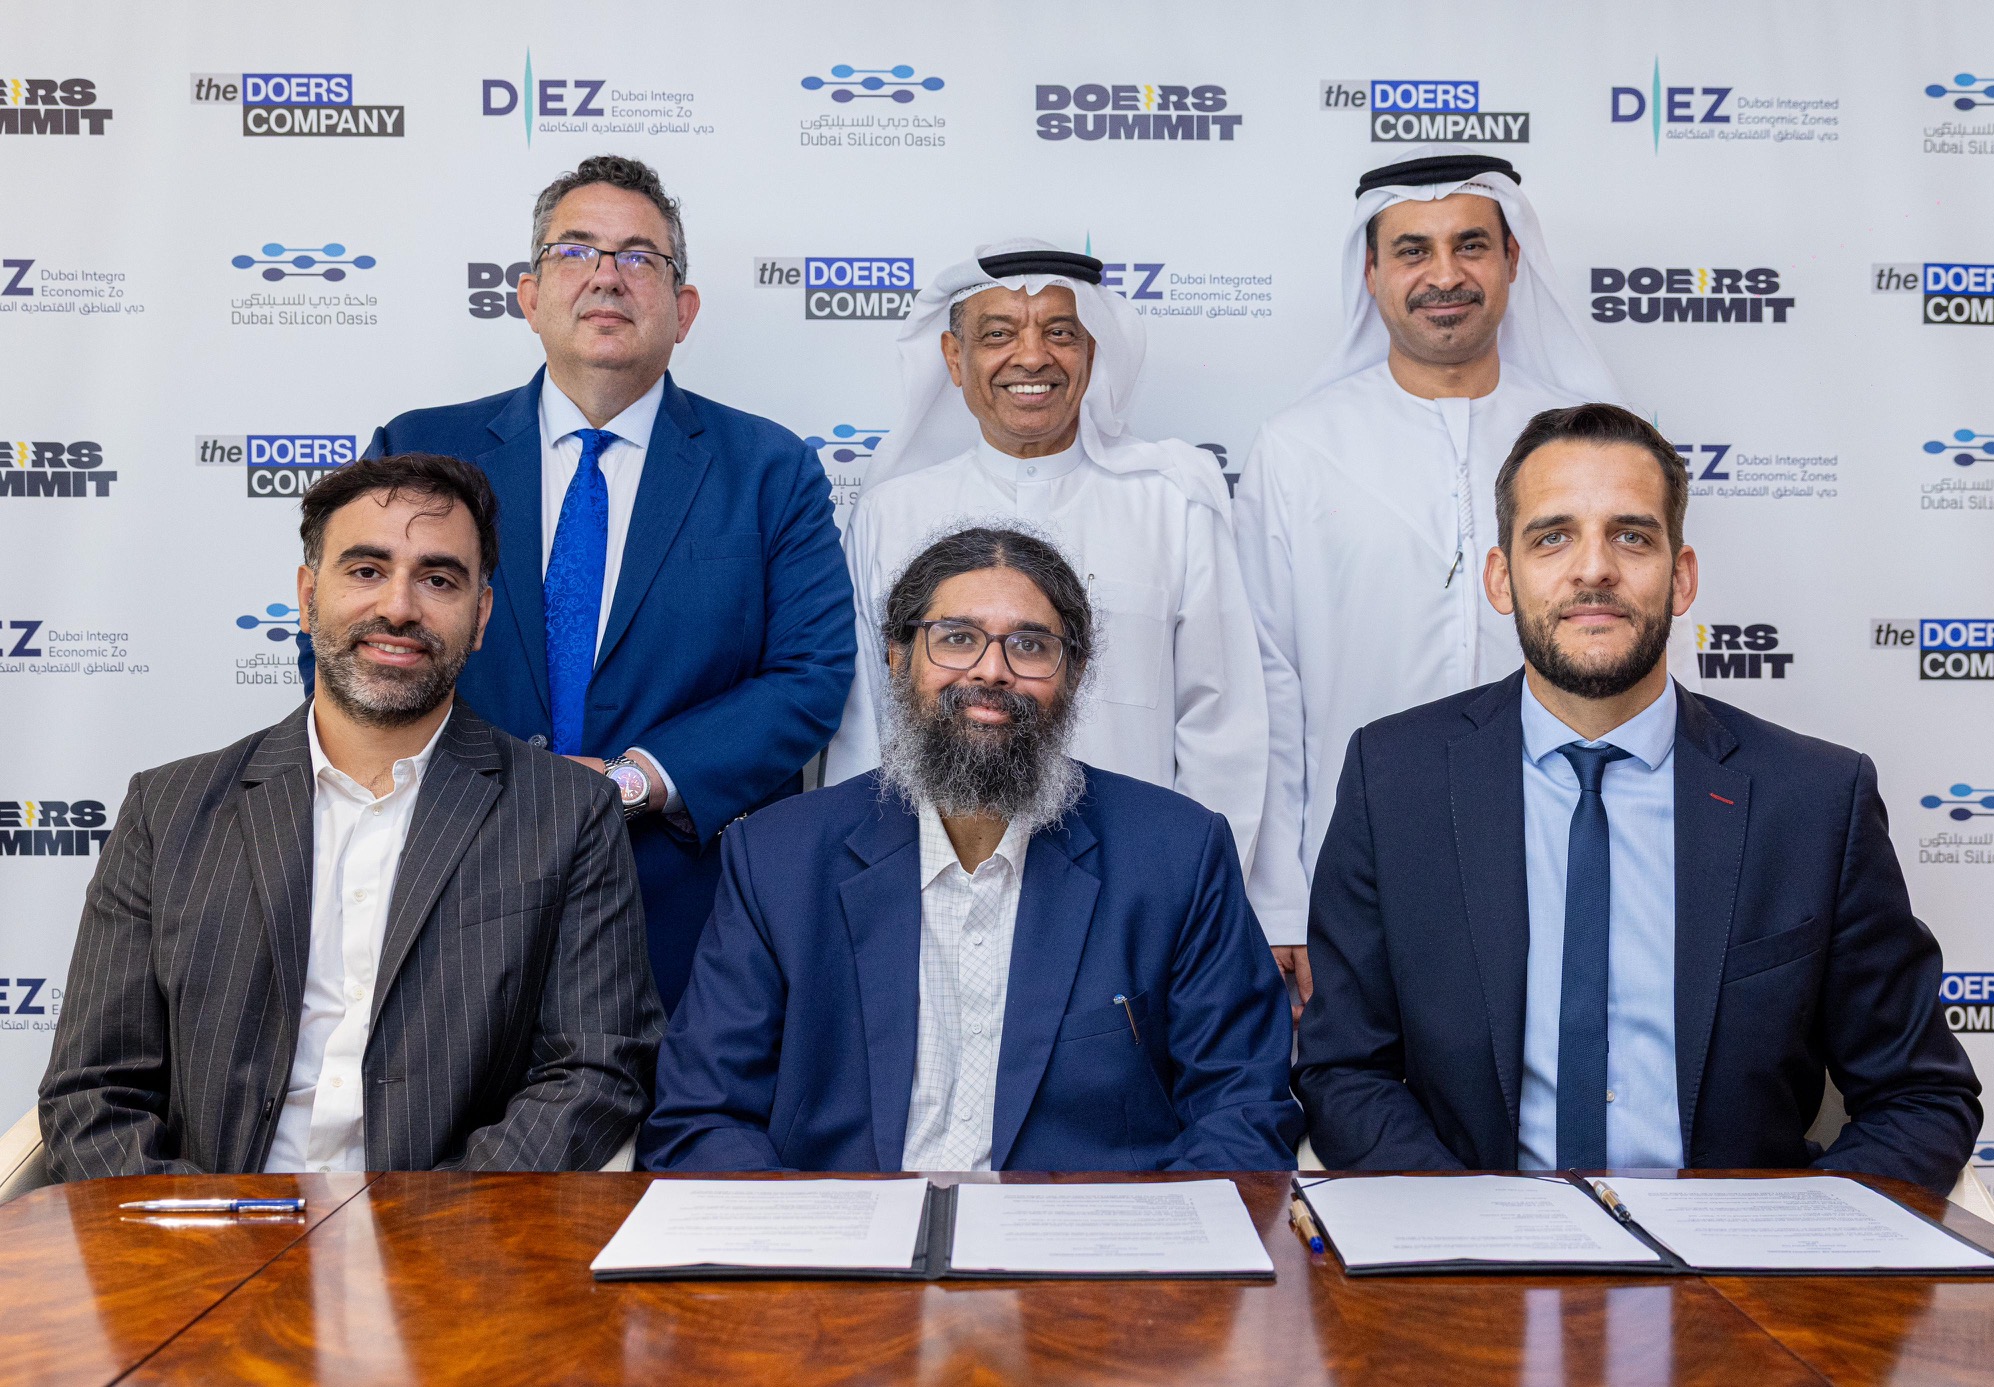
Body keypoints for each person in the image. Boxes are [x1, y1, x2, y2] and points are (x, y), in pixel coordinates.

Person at [1295, 405, 1981, 1194]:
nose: (1594, 569)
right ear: (1500, 578)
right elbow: (1344, 1071)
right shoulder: (1394, 781)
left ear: (1681, 577)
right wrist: (1472, 1227)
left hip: (1732, 1261)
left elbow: (1922, 1097)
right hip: (1479, 1256)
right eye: (1553, 537)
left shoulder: (1815, 801)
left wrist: (1793, 1239)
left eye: (1631, 536)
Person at [41, 454, 663, 1177]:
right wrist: (221, 1230)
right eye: (366, 570)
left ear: (481, 616)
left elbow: (596, 1071)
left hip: (452, 1234)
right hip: (209, 1230)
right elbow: (93, 1094)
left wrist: (419, 1228)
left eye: (438, 579)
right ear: (308, 598)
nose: (398, 607)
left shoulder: (566, 813)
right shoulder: (169, 811)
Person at [352, 156, 853, 1011]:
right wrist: (485, 782)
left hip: (687, 922)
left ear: (684, 310)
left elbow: (811, 674)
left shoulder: (769, 470)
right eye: (576, 251)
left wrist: (635, 778)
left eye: (639, 257)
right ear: (528, 295)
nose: (607, 276)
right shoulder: (422, 450)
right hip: (450, 887)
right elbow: (349, 643)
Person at [641, 526, 1301, 1173]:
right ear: (898, 659)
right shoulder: (778, 858)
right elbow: (702, 1119)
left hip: (1077, 1240)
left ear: (1074, 674)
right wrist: (817, 1239)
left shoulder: (1177, 855)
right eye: (957, 638)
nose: (992, 669)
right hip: (846, 1236)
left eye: (1030, 646)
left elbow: (1242, 1114)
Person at [1236, 153, 1620, 1009]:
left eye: (1470, 245)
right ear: (1371, 272)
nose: (1444, 276)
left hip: (1565, 847)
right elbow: (1268, 686)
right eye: (1413, 250)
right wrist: (1282, 899)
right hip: (1359, 868)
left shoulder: (1585, 443)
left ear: (1512, 260)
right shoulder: (1299, 449)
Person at [823, 240, 1269, 895]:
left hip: (1133, 884)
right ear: (954, 357)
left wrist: (1195, 891)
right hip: (937, 885)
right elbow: (867, 729)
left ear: (1092, 352)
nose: (1032, 356)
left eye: (1060, 332)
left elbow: (1220, 723)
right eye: (999, 334)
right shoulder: (893, 513)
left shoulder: (1172, 502)